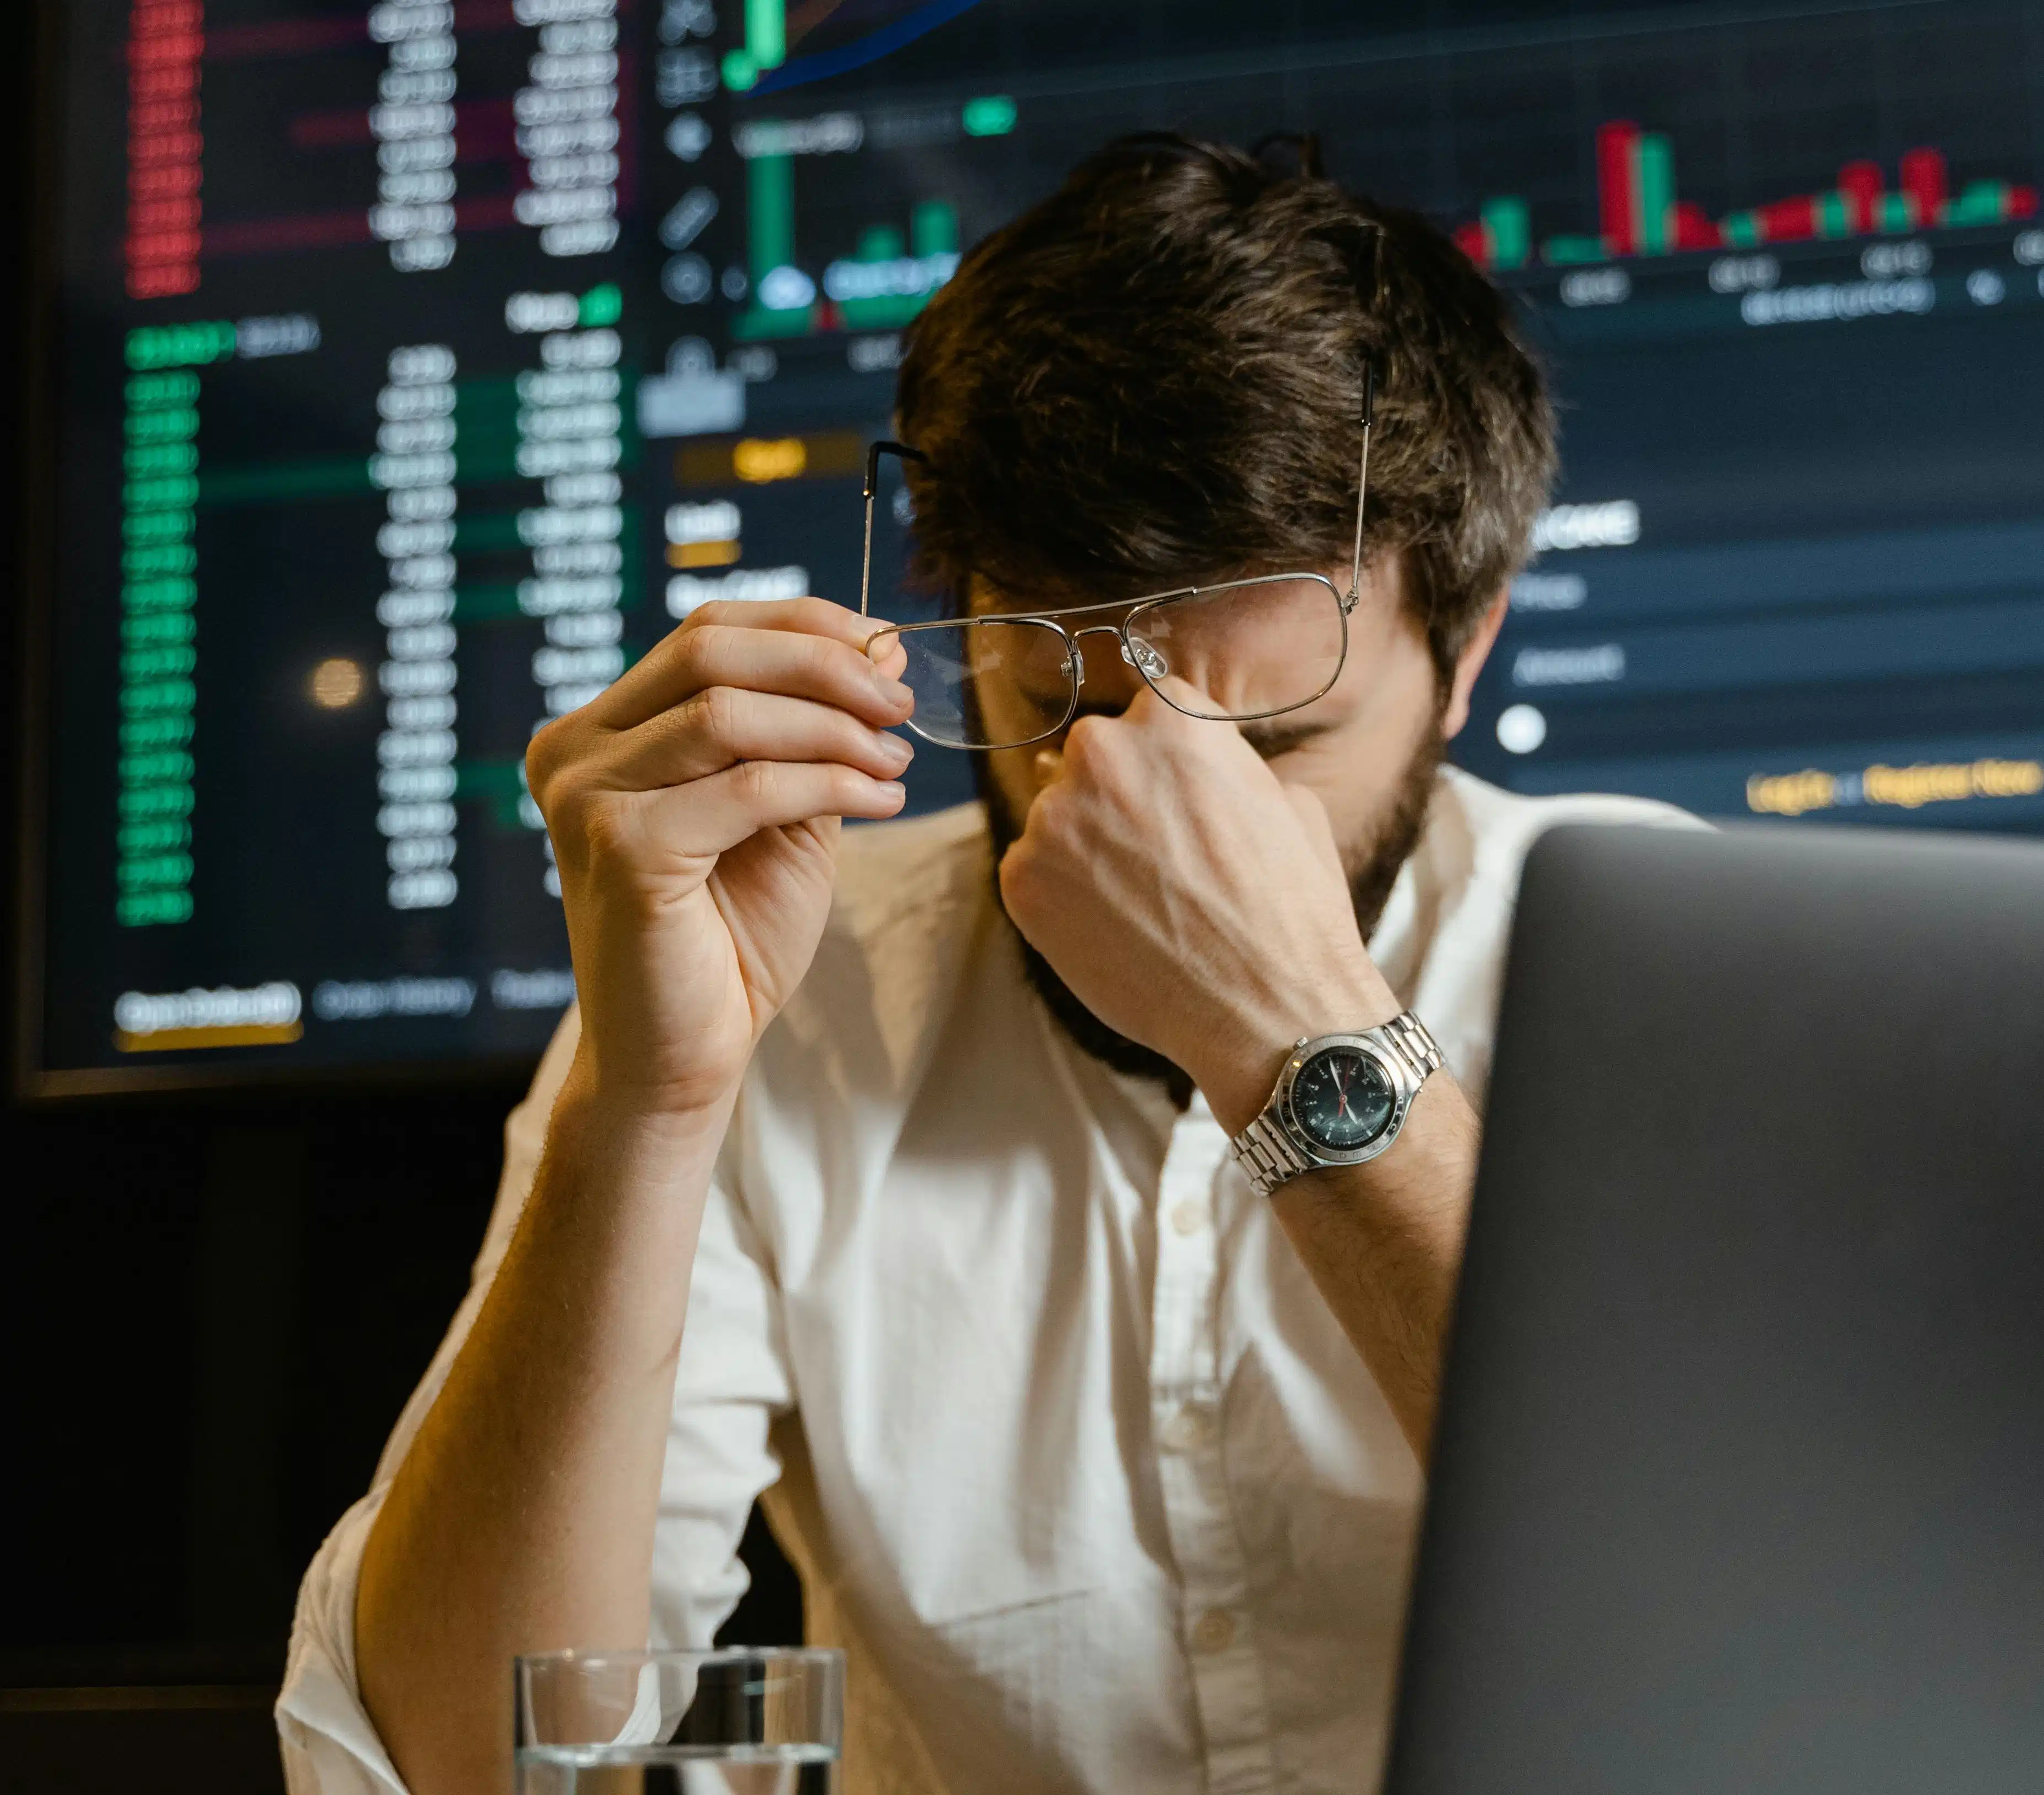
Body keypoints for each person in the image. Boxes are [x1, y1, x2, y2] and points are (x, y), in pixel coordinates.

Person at [277, 134, 1695, 1795]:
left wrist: (1303, 1037)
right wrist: (645, 1111)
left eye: (1279, 743)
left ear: (1471, 654)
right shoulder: (771, 993)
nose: (1155, 822)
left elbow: (1766, 1637)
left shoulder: (1680, 985)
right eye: (1059, 712)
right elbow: (474, 1764)